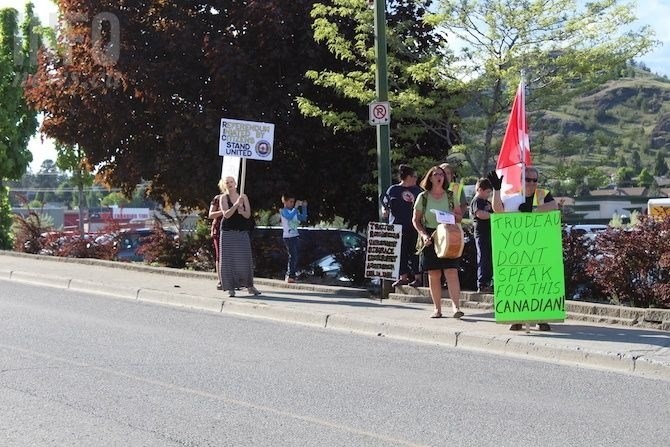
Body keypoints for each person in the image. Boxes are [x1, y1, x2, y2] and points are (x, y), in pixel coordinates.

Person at [488, 166, 558, 331]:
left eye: (535, 180)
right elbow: (498, 210)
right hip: (517, 250)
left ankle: (541, 317)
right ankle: (517, 318)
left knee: (538, 283)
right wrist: (496, 190)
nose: (532, 183)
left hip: (539, 248)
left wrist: (532, 210)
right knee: (518, 283)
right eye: (528, 179)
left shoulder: (542, 195)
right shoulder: (513, 198)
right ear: (521, 180)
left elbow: (553, 206)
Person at [412, 165, 464, 319]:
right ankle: (437, 309)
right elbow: (415, 220)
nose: (439, 176)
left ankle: (456, 307)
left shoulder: (450, 196)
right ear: (430, 178)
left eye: (441, 174)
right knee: (434, 274)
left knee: (451, 271)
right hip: (430, 235)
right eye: (435, 174)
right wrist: (423, 235)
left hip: (448, 235)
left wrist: (450, 217)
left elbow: (459, 216)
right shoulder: (423, 197)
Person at [218, 176, 261, 297]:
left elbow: (248, 215)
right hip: (228, 231)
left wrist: (242, 211)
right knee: (228, 260)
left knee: (245, 259)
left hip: (242, 231)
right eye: (227, 183)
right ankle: (230, 288)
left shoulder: (243, 197)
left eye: (231, 182)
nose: (230, 184)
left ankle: (250, 286)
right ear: (224, 185)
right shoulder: (223, 198)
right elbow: (226, 214)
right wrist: (236, 205)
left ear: (236, 183)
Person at [381, 164, 423, 288]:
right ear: (407, 177)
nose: (416, 179)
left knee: (415, 253)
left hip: (414, 226)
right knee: (400, 253)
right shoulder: (393, 190)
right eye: (414, 176)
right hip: (397, 226)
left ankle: (418, 277)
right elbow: (385, 204)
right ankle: (403, 277)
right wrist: (384, 211)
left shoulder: (417, 191)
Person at [470, 178, 494, 293]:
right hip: (481, 233)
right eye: (487, 192)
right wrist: (493, 216)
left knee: (489, 258)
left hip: (490, 233)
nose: (488, 195)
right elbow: (480, 214)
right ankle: (482, 283)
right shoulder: (477, 201)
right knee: (483, 258)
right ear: (480, 189)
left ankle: (490, 281)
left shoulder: (487, 202)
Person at [280, 194, 308, 283]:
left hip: (295, 236)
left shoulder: (294, 211)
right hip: (288, 237)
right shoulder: (283, 211)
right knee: (293, 256)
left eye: (293, 202)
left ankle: (292, 275)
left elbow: (303, 217)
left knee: (295, 256)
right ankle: (290, 275)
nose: (292, 203)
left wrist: (304, 207)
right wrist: (296, 208)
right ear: (285, 201)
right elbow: (289, 217)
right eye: (290, 201)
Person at [208, 181, 225, 290]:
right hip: (219, 229)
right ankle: (220, 280)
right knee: (220, 255)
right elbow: (210, 214)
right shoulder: (217, 199)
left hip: (232, 229)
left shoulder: (235, 199)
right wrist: (223, 212)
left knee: (230, 255)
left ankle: (231, 279)